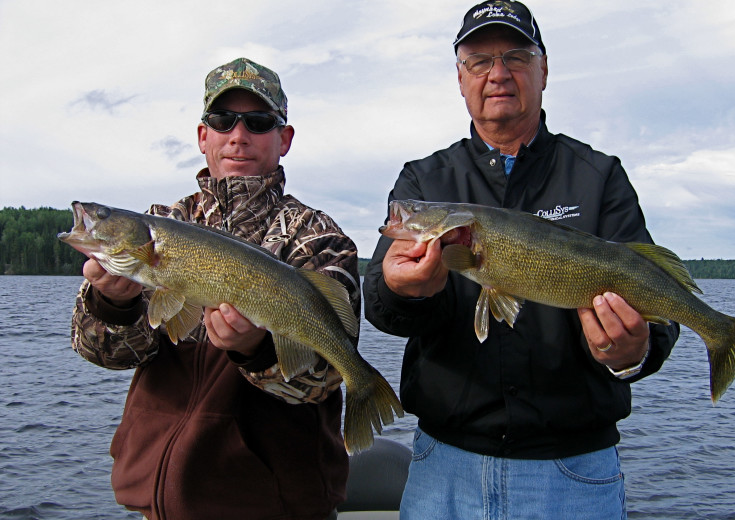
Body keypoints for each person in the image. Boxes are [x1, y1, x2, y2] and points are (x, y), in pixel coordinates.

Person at [363, 2, 680, 519]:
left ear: (544, 69)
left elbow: (655, 306)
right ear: (460, 78)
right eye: (479, 60)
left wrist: (632, 352)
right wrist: (406, 291)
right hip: (445, 468)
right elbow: (383, 306)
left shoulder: (600, 177)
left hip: (573, 473)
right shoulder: (423, 182)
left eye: (515, 56)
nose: (498, 73)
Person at [70, 58, 359, 520]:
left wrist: (257, 350)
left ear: (284, 139)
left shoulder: (319, 238)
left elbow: (319, 383)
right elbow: (107, 354)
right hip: (159, 501)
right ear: (203, 136)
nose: (238, 135)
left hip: (272, 506)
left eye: (259, 122)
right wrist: (113, 303)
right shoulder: (165, 223)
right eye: (222, 121)